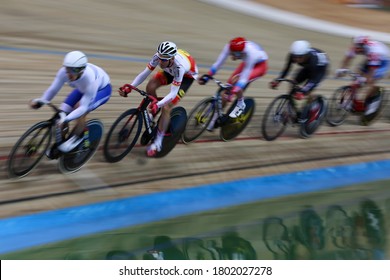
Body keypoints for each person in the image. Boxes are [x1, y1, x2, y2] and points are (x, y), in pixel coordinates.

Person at [119, 41, 198, 157]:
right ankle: (153, 114)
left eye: (164, 60)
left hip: (186, 77)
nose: (160, 62)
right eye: (160, 58)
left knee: (167, 107)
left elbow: (173, 93)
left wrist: (159, 104)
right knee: (150, 86)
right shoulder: (159, 56)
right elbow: (144, 74)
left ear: (171, 59)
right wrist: (131, 87)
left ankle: (158, 142)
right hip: (169, 71)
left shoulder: (179, 67)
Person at [30, 50, 112, 156]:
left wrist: (67, 119)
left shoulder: (90, 79)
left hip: (102, 90)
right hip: (83, 88)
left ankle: (78, 135)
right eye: (67, 69)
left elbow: (83, 107)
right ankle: (61, 143)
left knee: (79, 109)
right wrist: (42, 100)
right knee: (62, 112)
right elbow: (53, 90)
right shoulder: (63, 72)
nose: (69, 73)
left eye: (73, 70)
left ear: (81, 70)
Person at [199, 37, 268, 130]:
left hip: (259, 66)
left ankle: (241, 103)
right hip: (246, 62)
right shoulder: (229, 47)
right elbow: (218, 63)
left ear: (242, 52)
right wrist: (208, 75)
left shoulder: (251, 54)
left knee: (236, 83)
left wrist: (235, 89)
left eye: (236, 54)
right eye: (232, 53)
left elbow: (244, 78)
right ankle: (215, 118)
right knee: (226, 91)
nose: (233, 56)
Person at [270, 40, 329, 121]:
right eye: (295, 56)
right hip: (307, 68)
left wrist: (303, 91)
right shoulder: (292, 56)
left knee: (308, 91)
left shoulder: (313, 60)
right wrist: (278, 80)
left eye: (300, 57)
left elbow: (313, 80)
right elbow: (286, 69)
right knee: (293, 83)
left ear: (306, 55)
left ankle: (314, 109)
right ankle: (290, 111)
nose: (297, 59)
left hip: (319, 71)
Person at [335, 35, 390, 117]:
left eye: (359, 47)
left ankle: (369, 103)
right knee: (357, 76)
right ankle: (353, 100)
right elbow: (347, 59)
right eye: (356, 46)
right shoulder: (356, 47)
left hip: (384, 61)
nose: (357, 49)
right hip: (371, 59)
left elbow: (372, 70)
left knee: (370, 81)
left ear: (364, 46)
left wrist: (366, 79)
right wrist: (342, 69)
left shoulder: (373, 52)